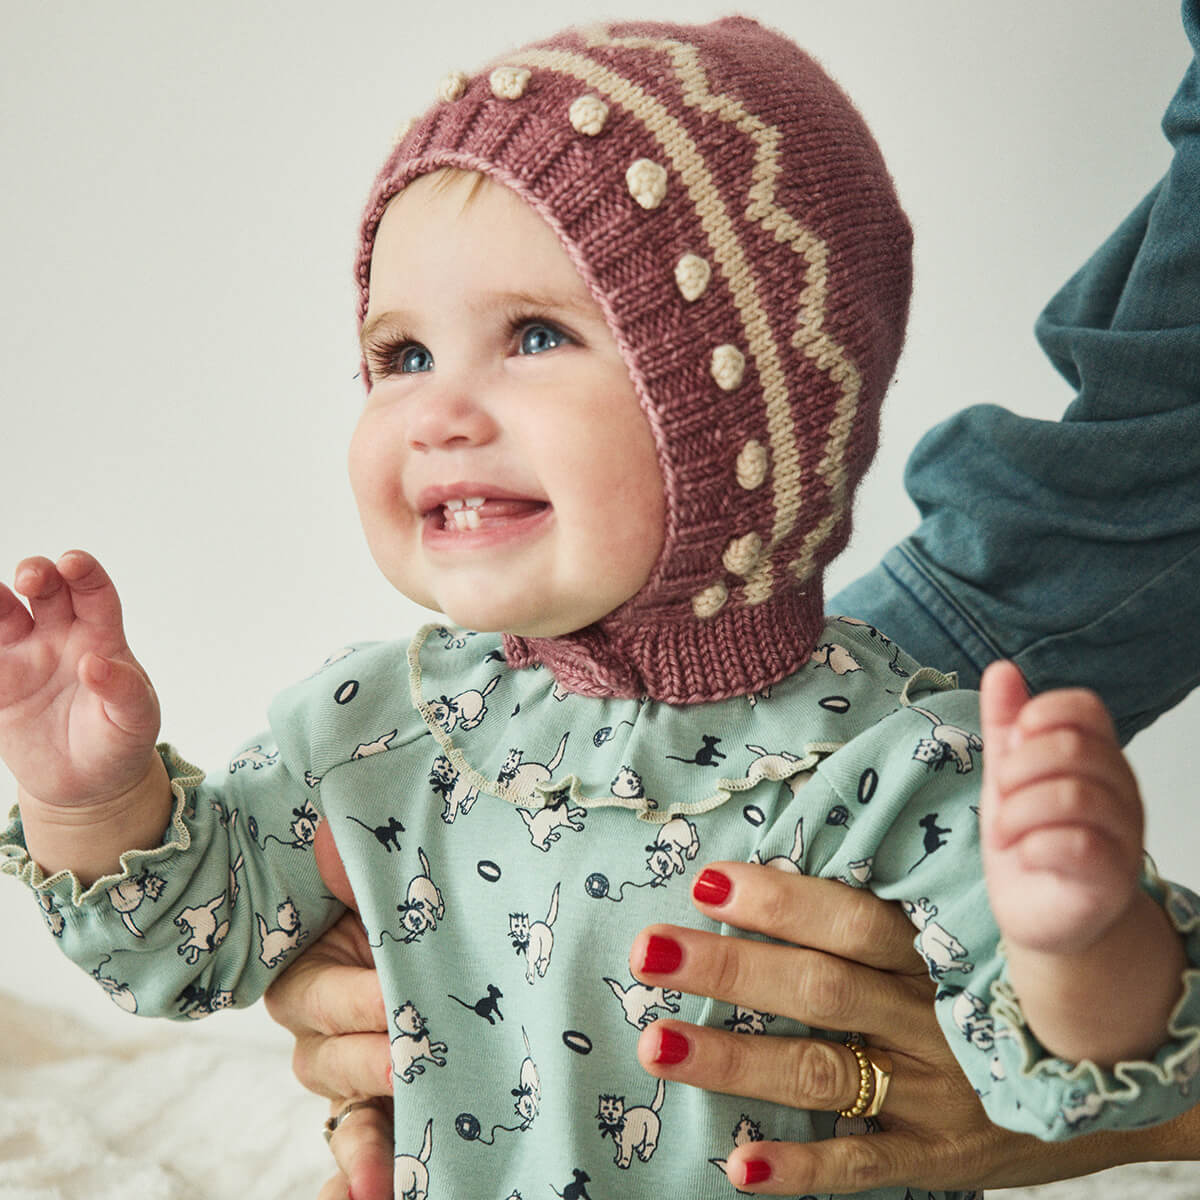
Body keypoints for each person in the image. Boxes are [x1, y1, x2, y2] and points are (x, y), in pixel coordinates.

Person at [1, 15, 1198, 1200]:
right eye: (403, 355)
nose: (438, 412)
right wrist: (95, 794)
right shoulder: (377, 726)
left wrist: (1077, 938)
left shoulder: (895, 765)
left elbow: (1082, 1069)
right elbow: (181, 945)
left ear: (738, 418)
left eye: (533, 335)